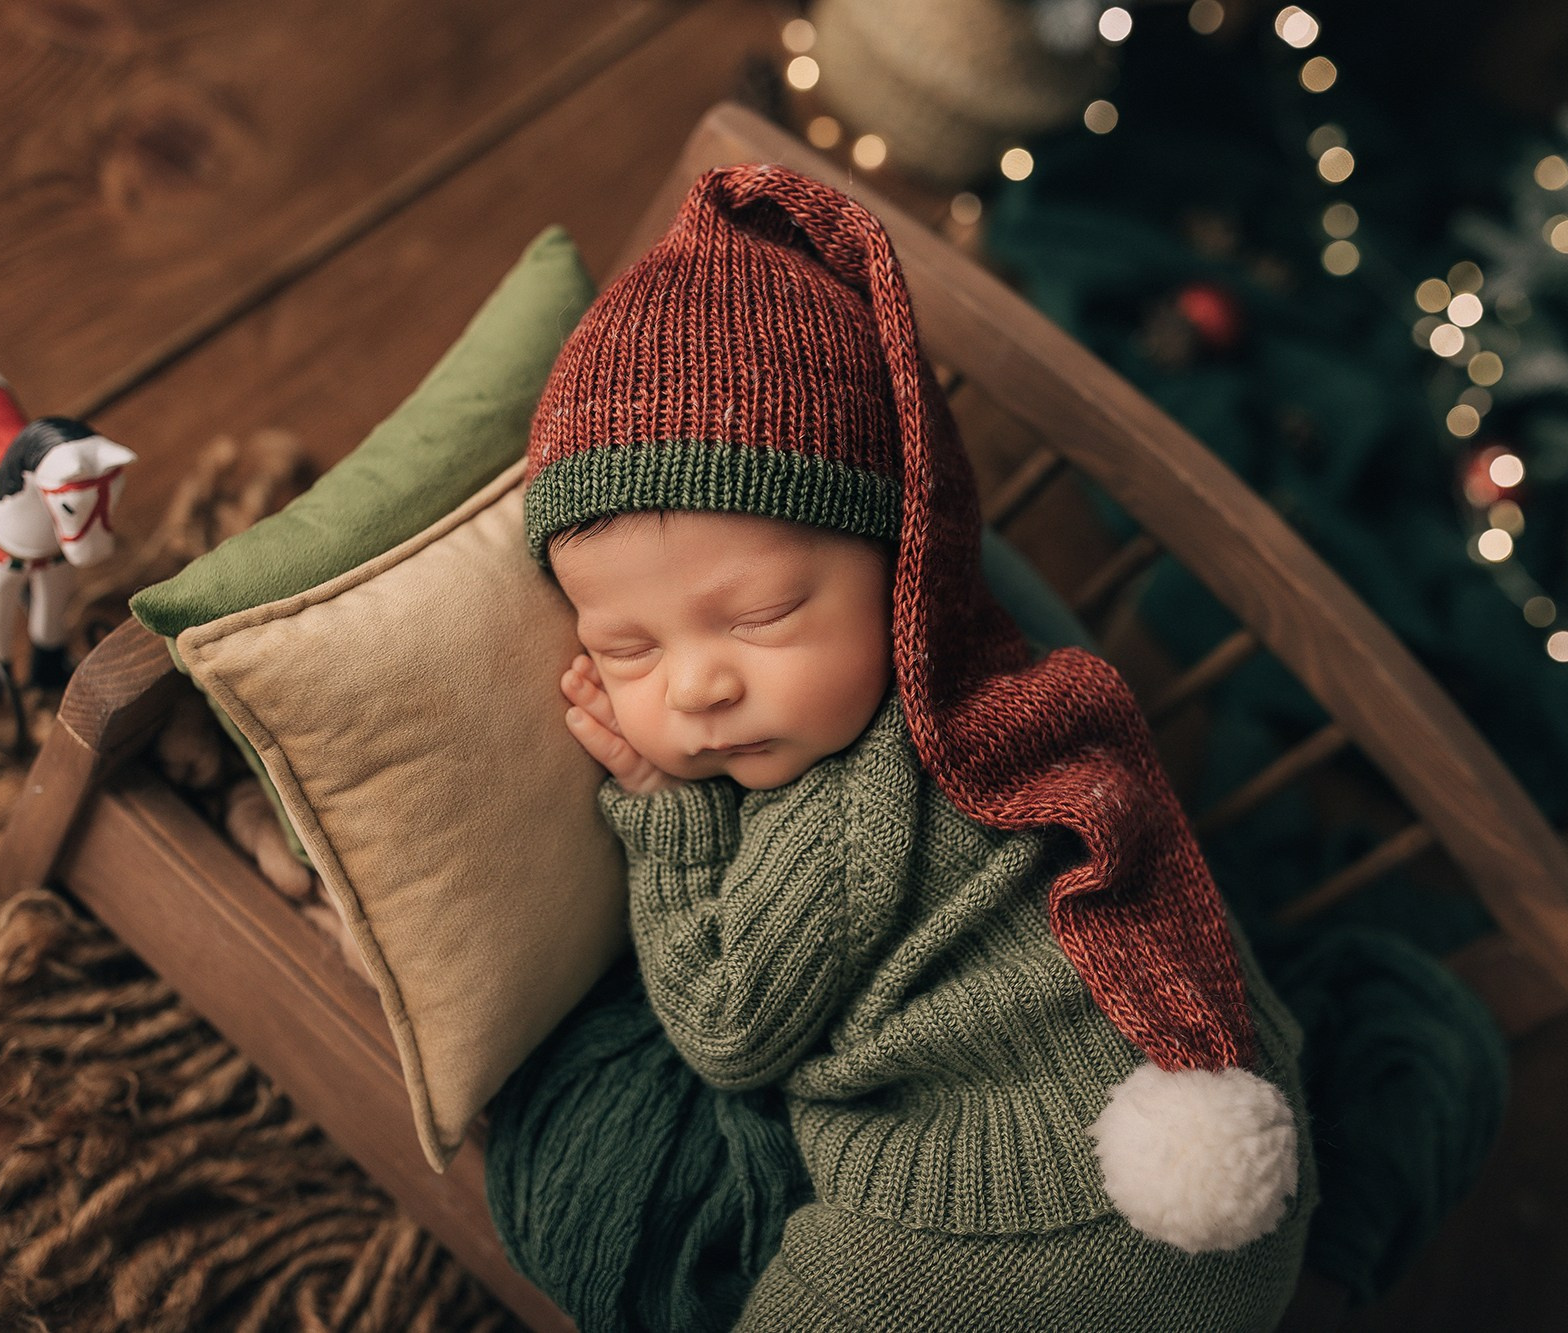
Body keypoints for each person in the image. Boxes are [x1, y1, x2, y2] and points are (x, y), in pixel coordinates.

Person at [523, 163, 1315, 1331]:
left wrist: (659, 804)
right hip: (1219, 1120)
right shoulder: (1008, 687)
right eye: (627, 649)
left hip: (1023, 1206)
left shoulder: (847, 806)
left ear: (902, 568)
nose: (696, 682)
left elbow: (728, 1028)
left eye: (760, 617)